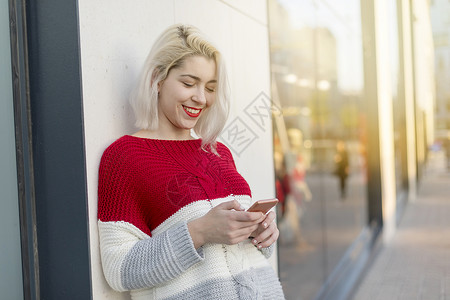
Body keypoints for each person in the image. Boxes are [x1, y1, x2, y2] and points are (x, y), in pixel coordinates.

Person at [97, 24, 285, 300]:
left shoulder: (218, 152)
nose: (201, 98)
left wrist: (262, 234)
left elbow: (237, 253)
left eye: (210, 87)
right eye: (188, 83)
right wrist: (199, 232)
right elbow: (119, 270)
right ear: (157, 79)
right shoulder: (125, 157)